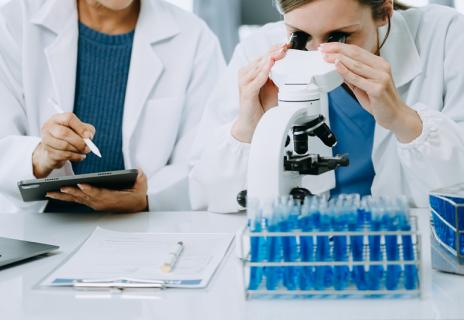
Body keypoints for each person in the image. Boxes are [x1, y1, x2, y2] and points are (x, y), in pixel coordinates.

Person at [189, 0, 464, 213]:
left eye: (339, 37)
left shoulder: (447, 38)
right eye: (299, 36)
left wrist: (403, 119)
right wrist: (250, 127)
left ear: (384, 11)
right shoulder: (257, 50)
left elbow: (457, 193)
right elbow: (205, 195)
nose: (319, 54)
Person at [0, 0, 225, 213]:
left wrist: (149, 198)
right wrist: (40, 156)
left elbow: (204, 160)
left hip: (143, 232)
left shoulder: (194, 38)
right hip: (34, 233)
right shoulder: (13, 24)